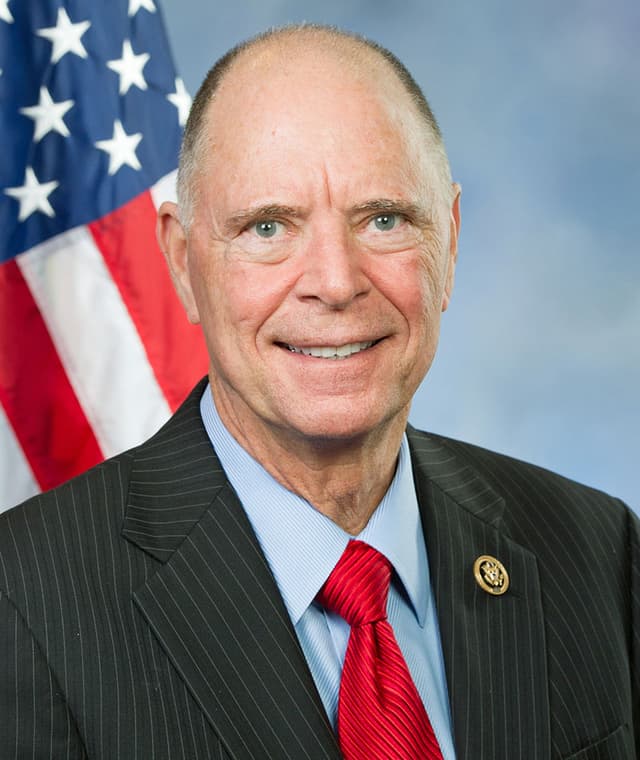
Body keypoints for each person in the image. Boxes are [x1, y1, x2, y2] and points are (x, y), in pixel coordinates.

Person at [0, 24, 638, 760]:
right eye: (268, 227)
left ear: (451, 242)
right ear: (182, 262)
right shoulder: (25, 606)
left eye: (385, 219)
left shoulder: (597, 550)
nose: (336, 283)